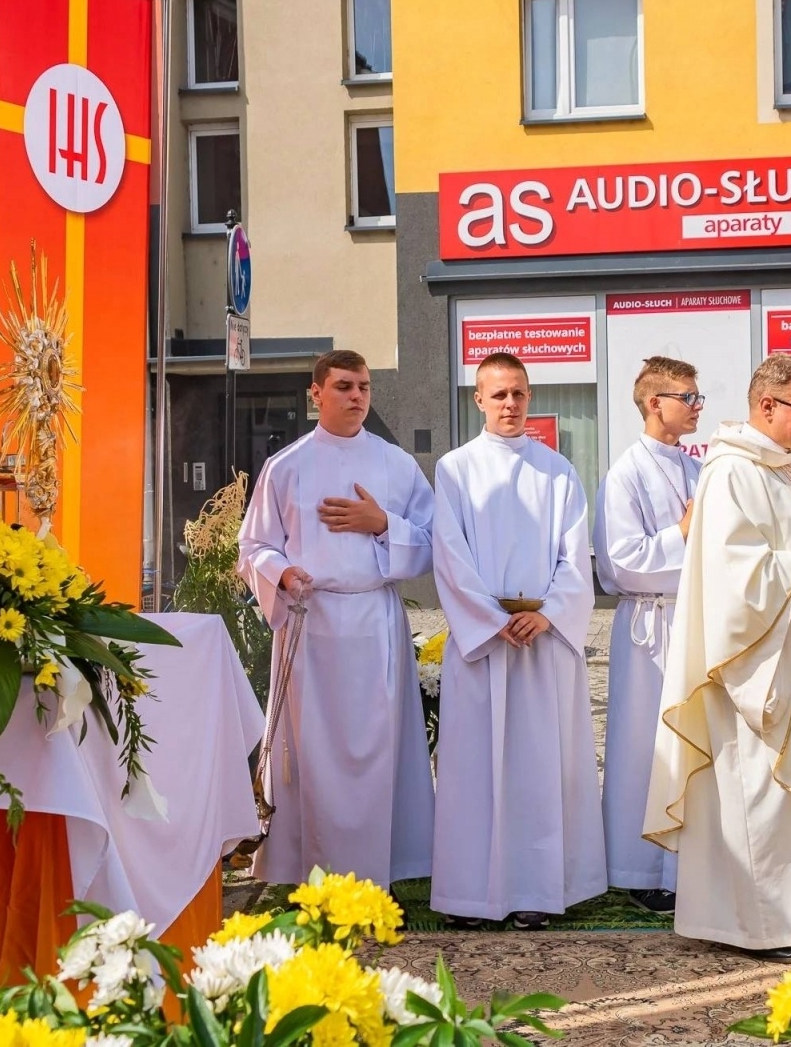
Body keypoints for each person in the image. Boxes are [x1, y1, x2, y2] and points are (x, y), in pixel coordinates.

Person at [646, 353, 791, 964]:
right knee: (763, 795)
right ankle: (762, 926)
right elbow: (731, 576)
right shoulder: (732, 470)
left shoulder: (785, 469)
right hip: (756, 666)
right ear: (767, 405)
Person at [237, 349, 436, 888]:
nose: (356, 396)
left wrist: (381, 523)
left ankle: (378, 872)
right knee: (314, 754)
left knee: (377, 749)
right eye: (344, 386)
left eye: (364, 387)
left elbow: (433, 540)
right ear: (316, 393)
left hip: (374, 621)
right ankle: (312, 871)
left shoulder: (395, 464)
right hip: (312, 622)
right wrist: (281, 572)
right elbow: (253, 546)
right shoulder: (286, 466)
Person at [430, 352, 604, 930]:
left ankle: (537, 890)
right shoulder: (455, 469)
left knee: (539, 770)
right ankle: (471, 897)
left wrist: (549, 614)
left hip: (541, 641)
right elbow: (448, 553)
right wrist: (488, 619)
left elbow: (575, 556)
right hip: (483, 643)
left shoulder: (558, 470)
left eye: (519, 393)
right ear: (477, 399)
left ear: (530, 398)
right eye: (499, 394)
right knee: (474, 772)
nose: (510, 404)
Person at [593, 356, 703, 914]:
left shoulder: (698, 469)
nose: (697, 406)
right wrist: (682, 532)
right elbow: (621, 562)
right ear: (655, 403)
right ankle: (639, 869)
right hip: (647, 629)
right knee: (644, 746)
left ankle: (691, 864)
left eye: (698, 397)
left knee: (691, 743)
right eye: (688, 397)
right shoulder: (625, 474)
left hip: (693, 618)